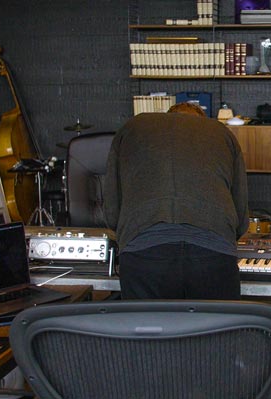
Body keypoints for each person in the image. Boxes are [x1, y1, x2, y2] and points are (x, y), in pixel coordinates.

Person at [104, 102, 249, 300]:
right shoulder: (221, 133)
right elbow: (240, 213)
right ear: (203, 121)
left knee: (147, 328)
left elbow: (112, 208)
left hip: (144, 249)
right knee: (216, 328)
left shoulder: (133, 127)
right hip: (213, 249)